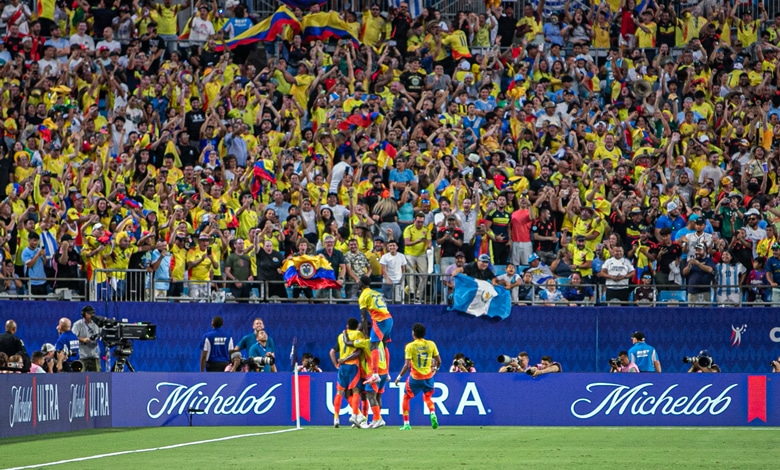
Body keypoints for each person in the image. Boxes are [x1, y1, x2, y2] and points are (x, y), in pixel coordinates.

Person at [394, 322, 441, 431]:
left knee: (406, 397)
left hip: (415, 378)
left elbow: (406, 365)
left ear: (413, 333)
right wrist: (435, 370)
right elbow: (439, 361)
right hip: (428, 377)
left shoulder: (410, 346)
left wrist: (399, 377)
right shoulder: (431, 344)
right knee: (428, 398)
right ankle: (433, 413)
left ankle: (406, 424)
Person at [329, 317, 366, 428]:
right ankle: (354, 415)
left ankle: (336, 418)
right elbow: (358, 351)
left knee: (339, 392)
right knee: (355, 391)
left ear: (347, 326)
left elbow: (331, 352)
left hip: (342, 367)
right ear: (357, 327)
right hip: (352, 366)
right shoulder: (358, 334)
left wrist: (336, 364)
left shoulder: (340, 336)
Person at [358, 275, 393, 386]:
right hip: (389, 318)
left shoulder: (363, 295)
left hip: (380, 320)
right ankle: (386, 373)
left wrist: (365, 333)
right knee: (384, 345)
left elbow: (363, 317)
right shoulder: (376, 293)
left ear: (362, 283)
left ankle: (375, 374)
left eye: (359, 282)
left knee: (373, 345)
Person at [71, 305, 101, 372]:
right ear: (84, 314)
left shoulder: (97, 324)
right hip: (82, 355)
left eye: (92, 313)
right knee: (80, 377)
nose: (91, 315)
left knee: (96, 377)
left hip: (94, 355)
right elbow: (73, 337)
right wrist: (83, 339)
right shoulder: (78, 324)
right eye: (89, 313)